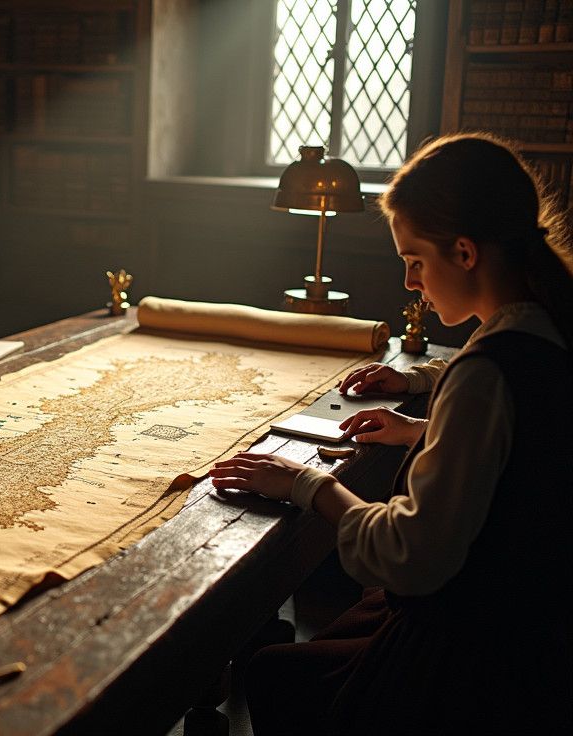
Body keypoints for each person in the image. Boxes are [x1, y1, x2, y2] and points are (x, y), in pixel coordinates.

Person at [209, 133, 573, 734]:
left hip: (482, 657)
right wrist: (422, 431)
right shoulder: (549, 327)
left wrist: (307, 485)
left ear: (463, 252)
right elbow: (528, 447)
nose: (410, 284)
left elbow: (411, 556)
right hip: (536, 619)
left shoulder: (485, 373)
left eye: (414, 262)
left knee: (278, 675)